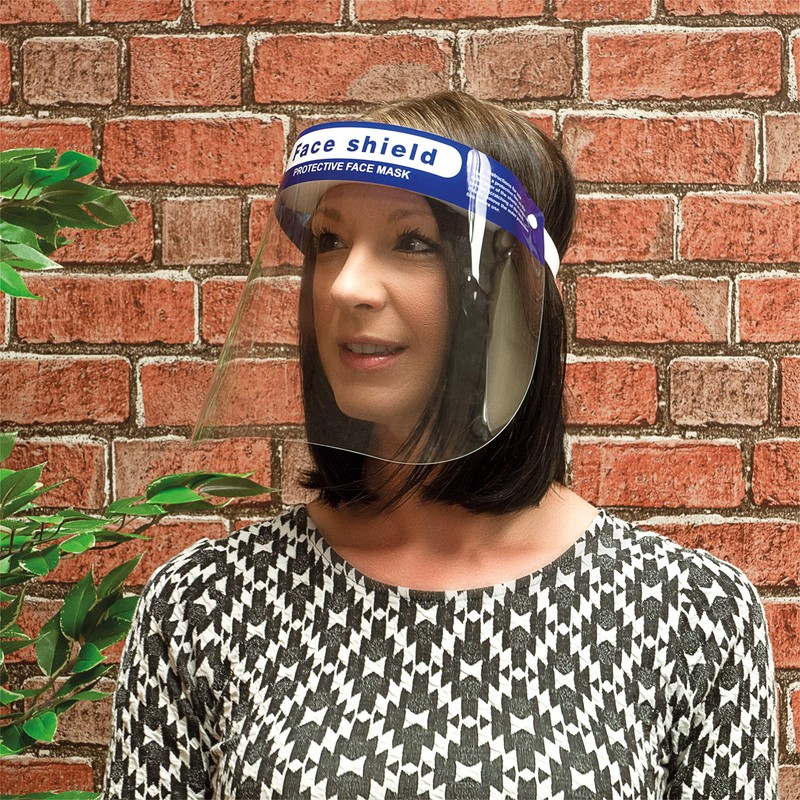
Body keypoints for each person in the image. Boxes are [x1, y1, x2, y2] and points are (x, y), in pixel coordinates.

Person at [102, 92, 777, 799]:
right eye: (330, 241)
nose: (347, 286)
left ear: (514, 290)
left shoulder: (690, 614)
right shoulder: (205, 605)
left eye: (413, 243)